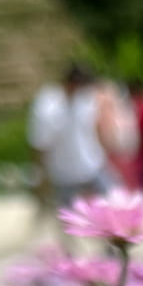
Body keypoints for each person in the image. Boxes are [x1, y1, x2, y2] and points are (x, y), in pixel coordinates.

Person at [28, 62, 114, 207]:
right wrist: (40, 177)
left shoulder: (85, 99)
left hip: (92, 166)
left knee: (112, 204)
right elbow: (40, 144)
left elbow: (93, 131)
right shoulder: (48, 106)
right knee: (70, 221)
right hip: (64, 175)